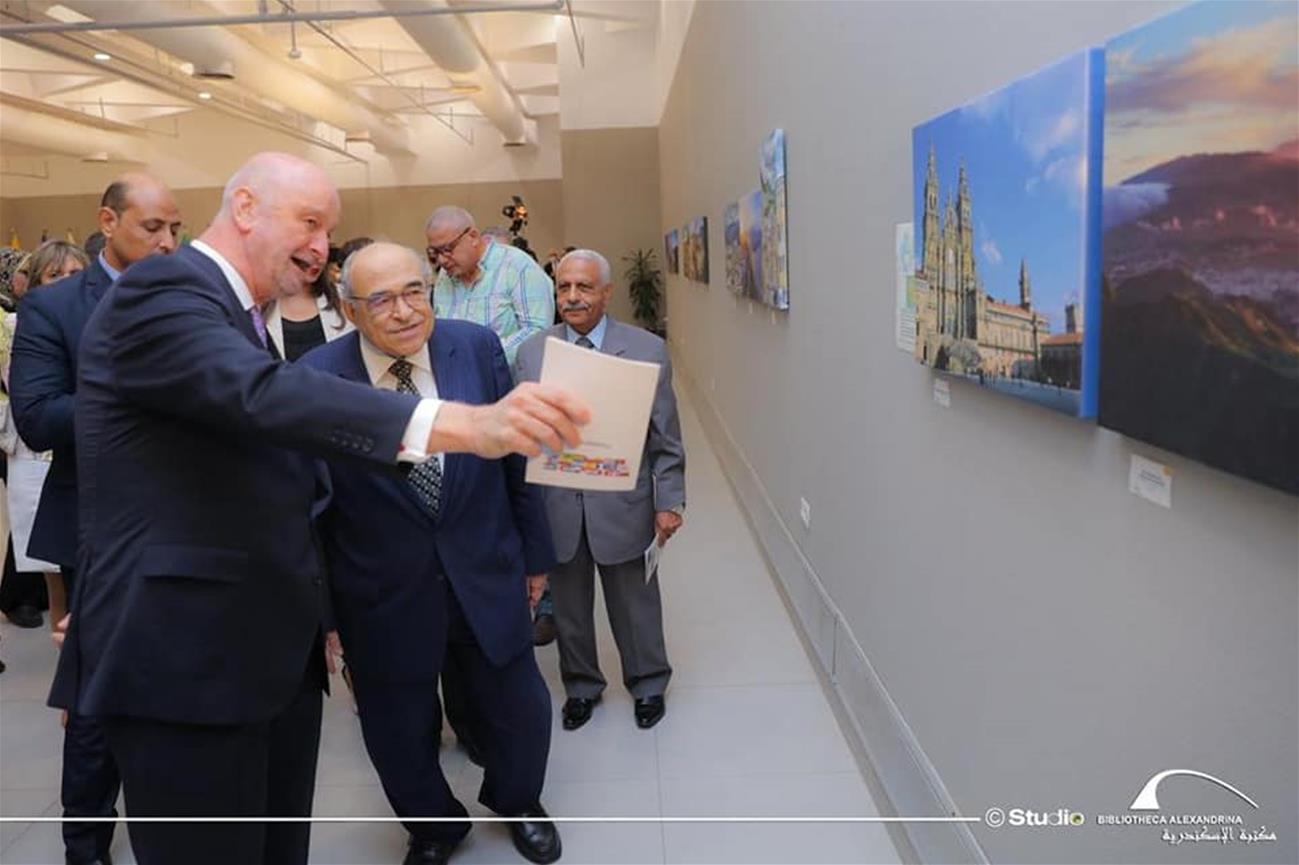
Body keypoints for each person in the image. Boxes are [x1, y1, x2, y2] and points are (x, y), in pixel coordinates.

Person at [50, 151, 588, 865]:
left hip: (258, 651)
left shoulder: (235, 313)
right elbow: (263, 398)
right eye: (307, 222)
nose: (318, 246)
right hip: (188, 660)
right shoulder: (164, 288)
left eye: (327, 229)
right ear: (245, 207)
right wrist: (465, 424)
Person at [302, 242, 560, 865]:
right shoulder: (315, 376)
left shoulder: (474, 346)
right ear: (349, 308)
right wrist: (325, 613)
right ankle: (434, 826)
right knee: (397, 726)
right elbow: (311, 506)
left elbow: (517, 458)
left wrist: (535, 556)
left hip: (483, 565)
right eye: (381, 300)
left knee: (517, 706)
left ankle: (519, 800)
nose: (404, 311)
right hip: (379, 588)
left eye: (414, 291)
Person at [12, 174, 181, 865]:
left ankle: (174, 830)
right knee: (96, 696)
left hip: (189, 519)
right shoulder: (54, 307)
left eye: (176, 228)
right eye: (153, 227)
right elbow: (37, 415)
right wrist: (140, 396)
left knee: (176, 687)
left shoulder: (194, 295)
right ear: (107, 221)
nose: (168, 242)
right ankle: (86, 842)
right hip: (97, 524)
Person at [515, 249, 685, 731]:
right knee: (569, 607)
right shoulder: (532, 353)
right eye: (564, 287)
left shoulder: (647, 349)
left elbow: (666, 437)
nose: (572, 297)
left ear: (607, 293)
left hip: (623, 502)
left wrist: (670, 501)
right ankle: (582, 686)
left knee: (635, 603)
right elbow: (522, 437)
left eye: (584, 287)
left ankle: (648, 682)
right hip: (557, 504)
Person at [425, 206, 554, 365]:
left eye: (447, 250)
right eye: (435, 253)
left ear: (473, 236)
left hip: (507, 377)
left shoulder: (518, 266)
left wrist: (482, 359)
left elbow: (537, 332)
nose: (442, 260)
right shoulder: (445, 276)